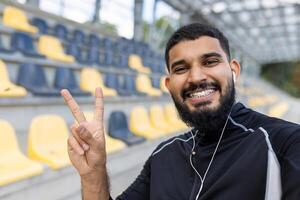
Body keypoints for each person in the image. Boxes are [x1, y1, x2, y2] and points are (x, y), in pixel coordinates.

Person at [61, 23, 300, 200]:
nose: (196, 77)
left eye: (210, 62)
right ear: (168, 85)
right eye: (181, 68)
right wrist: (93, 173)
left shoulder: (285, 143)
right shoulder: (163, 157)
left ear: (234, 71)